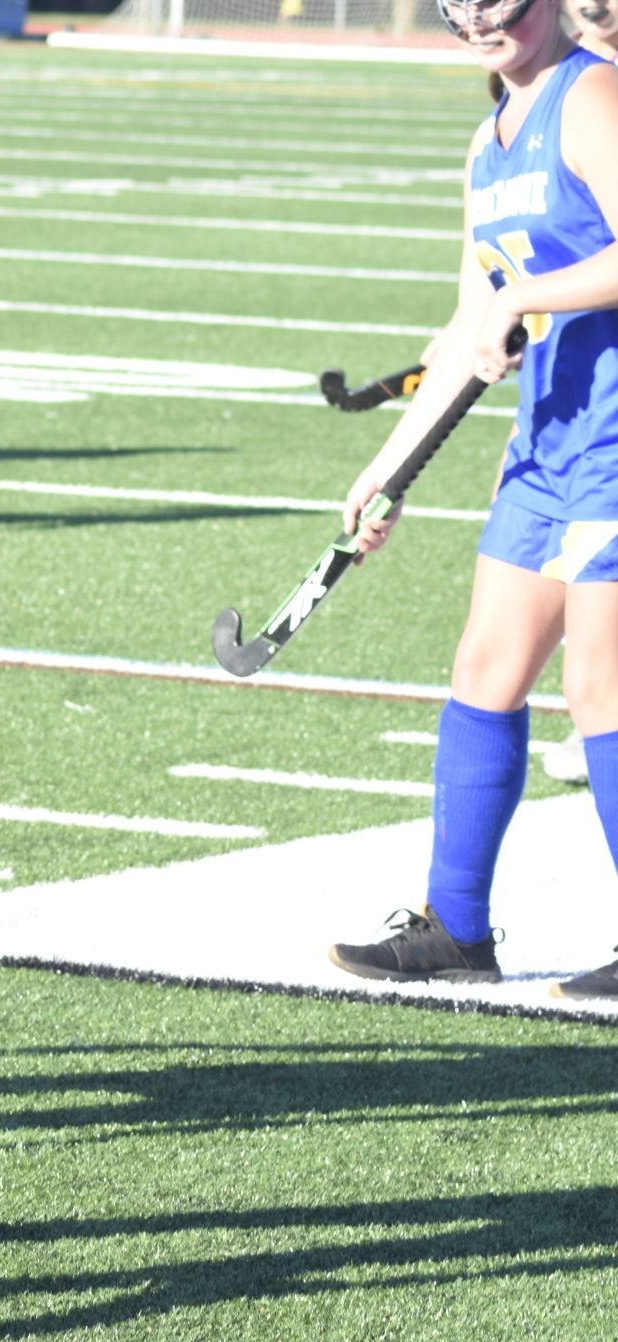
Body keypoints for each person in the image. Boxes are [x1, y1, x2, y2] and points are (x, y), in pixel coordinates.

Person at [328, 0, 618, 1003]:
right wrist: (387, 470)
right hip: (548, 445)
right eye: (459, 1)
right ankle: (456, 926)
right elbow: (468, 323)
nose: (481, 16)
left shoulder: (593, 96)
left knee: (599, 690)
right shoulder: (486, 146)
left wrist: (520, 300)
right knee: (485, 671)